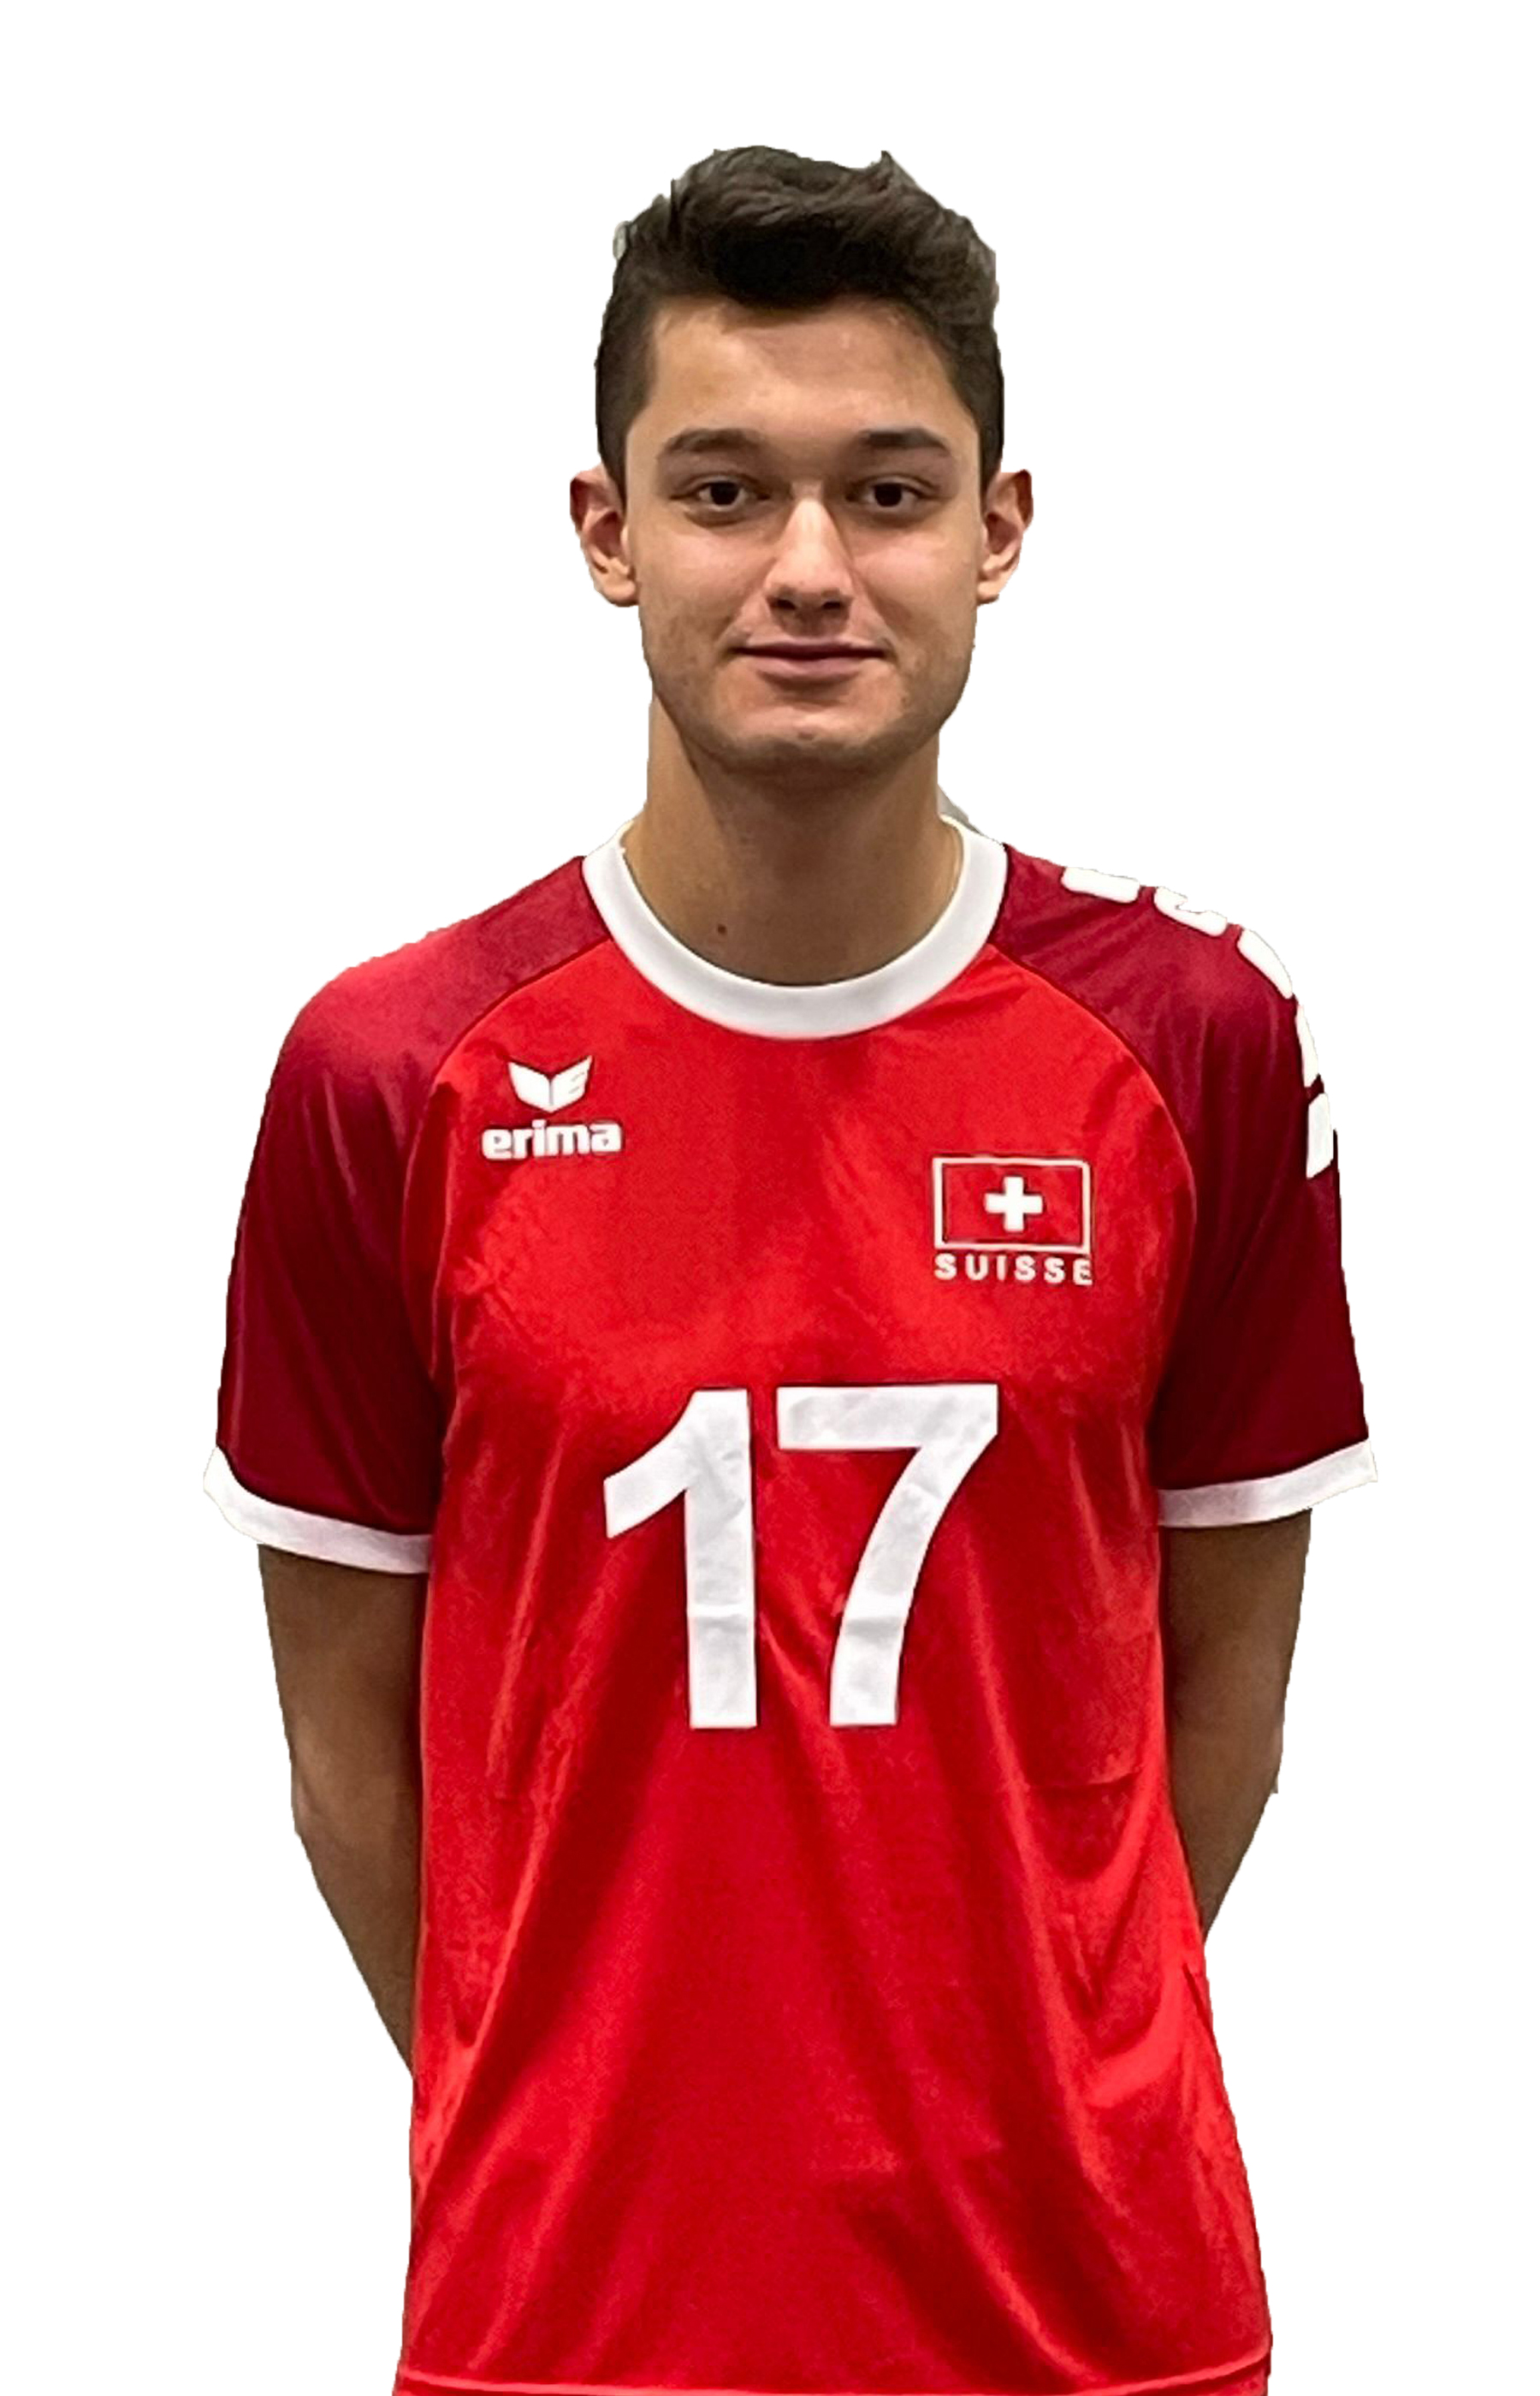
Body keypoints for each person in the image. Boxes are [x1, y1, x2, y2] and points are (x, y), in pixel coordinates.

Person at [204, 144, 1375, 2396]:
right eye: (727, 492)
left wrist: (1041, 2061)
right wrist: (581, 2105)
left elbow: (1218, 1700)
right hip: (576, 2312)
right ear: (608, 530)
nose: (811, 568)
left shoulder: (1200, 1046)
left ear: (999, 532)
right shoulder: (393, 1072)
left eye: (888, 493)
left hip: (1093, 2314)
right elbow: (348, 1752)